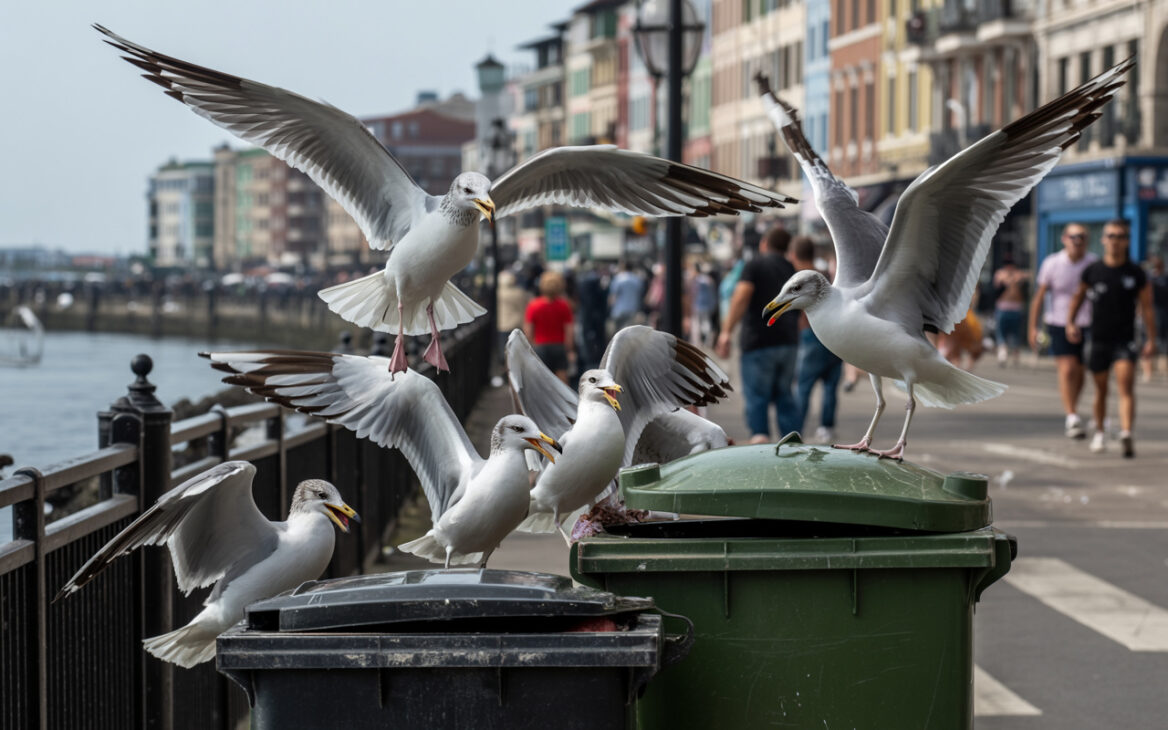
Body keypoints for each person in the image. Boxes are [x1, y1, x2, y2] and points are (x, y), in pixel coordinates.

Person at [1066, 220, 1156, 457]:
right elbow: (1078, 298)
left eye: (1121, 236)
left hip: (1125, 339)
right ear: (1104, 239)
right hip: (1098, 339)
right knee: (1101, 389)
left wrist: (1151, 340)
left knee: (1126, 384)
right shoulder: (1093, 270)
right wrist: (1071, 322)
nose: (1116, 240)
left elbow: (1147, 308)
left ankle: (1126, 432)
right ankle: (1099, 432)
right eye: (1111, 235)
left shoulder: (1136, 273)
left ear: (1127, 241)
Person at [715, 226, 800, 443]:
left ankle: (760, 439)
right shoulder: (792, 269)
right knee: (785, 395)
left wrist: (726, 332)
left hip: (758, 341)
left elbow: (742, 296)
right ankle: (791, 441)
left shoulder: (755, 265)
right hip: (788, 342)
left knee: (757, 397)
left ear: (764, 244)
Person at [1028, 222, 1097, 439]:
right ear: (1064, 239)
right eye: (1073, 236)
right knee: (1067, 369)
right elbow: (1039, 297)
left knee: (1081, 370)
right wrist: (1033, 327)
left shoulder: (1093, 262)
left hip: (1088, 322)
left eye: (1082, 237)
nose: (1078, 241)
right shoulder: (1052, 263)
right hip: (1057, 321)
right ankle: (1072, 415)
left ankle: (1073, 406)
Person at [789, 235, 842, 443]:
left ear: (794, 254)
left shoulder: (800, 280)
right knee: (830, 385)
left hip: (812, 336)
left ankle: (796, 430)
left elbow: (803, 312)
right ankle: (826, 427)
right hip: (834, 336)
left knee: (803, 386)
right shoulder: (825, 277)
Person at [524, 270, 575, 384]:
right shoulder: (564, 305)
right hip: (559, 346)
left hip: (540, 347)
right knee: (562, 381)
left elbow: (528, 331)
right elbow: (569, 331)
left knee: (542, 381)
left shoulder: (533, 305)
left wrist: (531, 345)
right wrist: (570, 350)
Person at [992, 255, 1030, 367]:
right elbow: (997, 287)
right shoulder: (1000, 274)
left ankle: (1014, 353)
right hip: (1003, 307)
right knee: (1002, 332)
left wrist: (1015, 279)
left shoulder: (1018, 275)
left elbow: (1028, 275)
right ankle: (1003, 352)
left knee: (1015, 333)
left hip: (1015, 308)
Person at [496, 268, 529, 367]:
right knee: (515, 350)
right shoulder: (520, 292)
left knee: (504, 350)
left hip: (502, 324)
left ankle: (507, 370)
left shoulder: (498, 293)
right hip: (517, 324)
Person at [1143, 254, 1167, 382]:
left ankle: (1164, 370)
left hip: (1163, 313)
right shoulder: (1148, 279)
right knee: (1147, 340)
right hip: (1150, 313)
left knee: (1163, 342)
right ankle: (1148, 371)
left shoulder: (1165, 278)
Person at [608, 261, 645, 333]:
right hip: (632, 309)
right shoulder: (637, 279)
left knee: (618, 333)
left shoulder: (618, 278)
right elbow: (640, 295)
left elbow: (613, 296)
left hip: (619, 310)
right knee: (629, 333)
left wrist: (610, 308)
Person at [686, 261, 717, 346]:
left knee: (702, 323)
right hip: (704, 304)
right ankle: (706, 340)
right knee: (703, 323)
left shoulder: (700, 279)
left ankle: (704, 340)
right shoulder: (706, 279)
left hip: (700, 304)